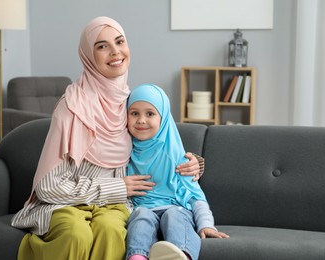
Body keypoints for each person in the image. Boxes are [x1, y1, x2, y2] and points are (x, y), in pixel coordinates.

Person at [11, 17, 203, 260]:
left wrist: (194, 164)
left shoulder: (131, 105)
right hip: (63, 204)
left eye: (120, 41)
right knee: (76, 233)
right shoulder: (71, 108)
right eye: (102, 46)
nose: (115, 51)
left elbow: (159, 146)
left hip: (113, 206)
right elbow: (48, 188)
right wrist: (117, 186)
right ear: (88, 56)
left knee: (112, 231)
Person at [125, 84, 229, 260]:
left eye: (150, 114)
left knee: (174, 215)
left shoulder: (176, 158)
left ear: (163, 118)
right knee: (141, 215)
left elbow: (196, 197)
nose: (141, 120)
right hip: (142, 209)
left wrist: (206, 225)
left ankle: (182, 255)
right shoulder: (123, 153)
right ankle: (137, 256)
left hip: (175, 208)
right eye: (134, 113)